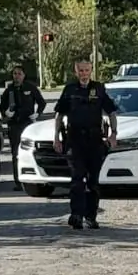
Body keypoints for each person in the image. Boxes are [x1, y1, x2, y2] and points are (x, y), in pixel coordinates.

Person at [54, 57, 118, 231]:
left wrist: (113, 134)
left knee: (93, 182)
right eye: (80, 70)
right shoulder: (69, 90)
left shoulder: (98, 89)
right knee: (76, 179)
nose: (83, 74)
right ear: (76, 72)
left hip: (95, 141)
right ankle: (76, 215)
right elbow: (59, 115)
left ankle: (91, 216)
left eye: (86, 70)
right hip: (75, 140)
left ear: (91, 71)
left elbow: (111, 111)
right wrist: (56, 138)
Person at [0, 64, 45, 169]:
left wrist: (37, 113)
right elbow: (2, 106)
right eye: (15, 74)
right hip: (14, 124)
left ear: (24, 75)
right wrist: (5, 113)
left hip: (27, 123)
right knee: (16, 153)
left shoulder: (30, 87)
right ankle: (18, 182)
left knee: (29, 151)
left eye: (19, 74)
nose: (17, 76)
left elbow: (42, 102)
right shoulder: (9, 90)